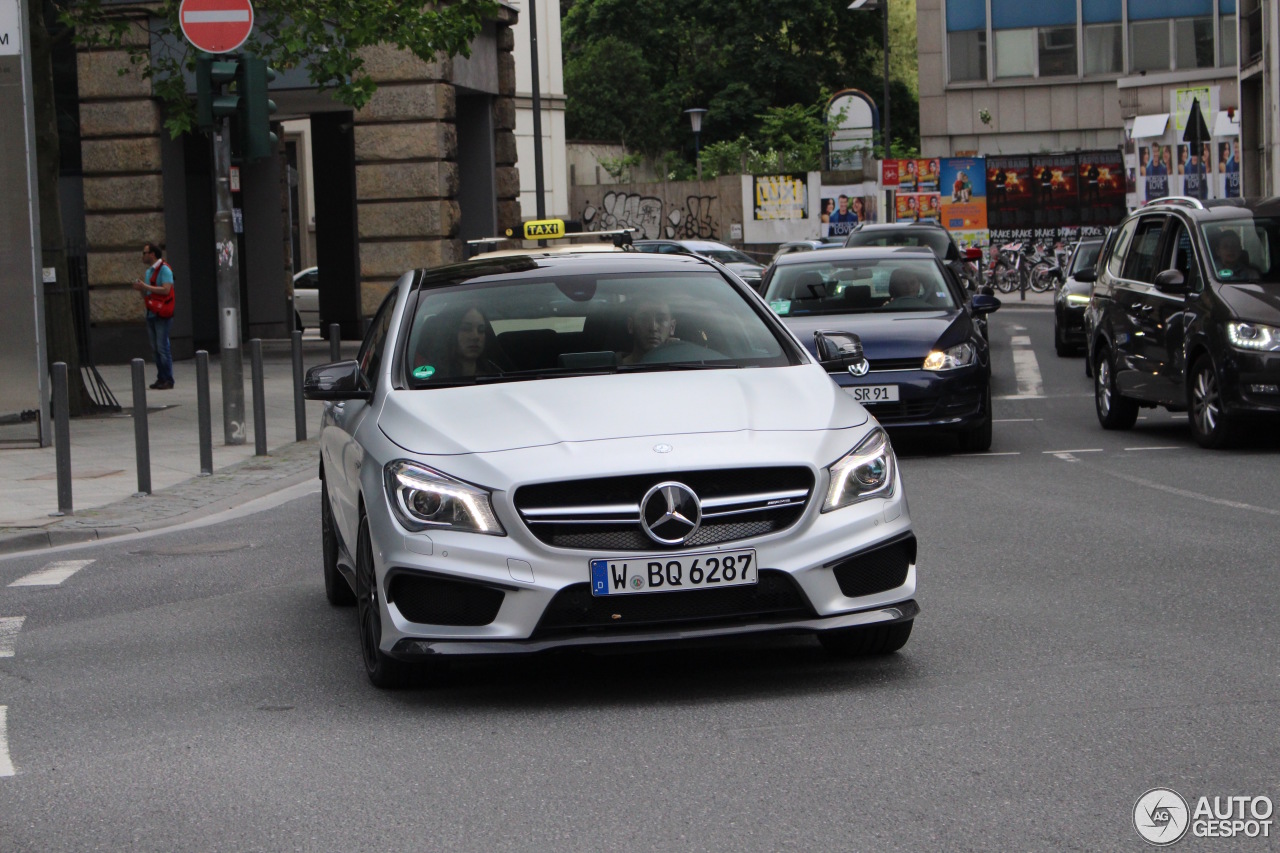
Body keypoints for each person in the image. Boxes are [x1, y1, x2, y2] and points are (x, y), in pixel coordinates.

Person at [417, 303, 505, 379]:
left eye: (481, 330)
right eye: (466, 328)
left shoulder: (499, 376)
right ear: (450, 333)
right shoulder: (430, 380)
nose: (475, 336)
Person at [132, 242, 175, 390]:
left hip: (162, 313)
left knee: (162, 347)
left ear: (152, 254)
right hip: (151, 312)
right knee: (155, 348)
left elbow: (166, 289)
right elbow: (148, 293)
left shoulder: (165, 269)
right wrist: (141, 289)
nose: (143, 255)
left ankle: (168, 379)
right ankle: (161, 377)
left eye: (145, 253)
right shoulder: (149, 272)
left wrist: (145, 286)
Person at [622, 297, 677, 364]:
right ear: (630, 325)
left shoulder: (685, 368)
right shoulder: (610, 367)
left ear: (672, 327)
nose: (653, 328)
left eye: (661, 319)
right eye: (644, 319)